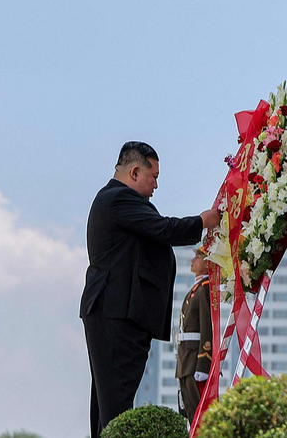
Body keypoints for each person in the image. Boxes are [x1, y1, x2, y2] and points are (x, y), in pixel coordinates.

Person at [79, 141, 221, 438]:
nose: (156, 184)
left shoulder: (115, 200)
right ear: (134, 172)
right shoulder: (118, 198)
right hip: (117, 313)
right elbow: (163, 229)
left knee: (109, 404)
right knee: (115, 406)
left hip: (117, 312)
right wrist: (202, 222)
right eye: (153, 176)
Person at [175, 245, 213, 424]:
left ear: (208, 263)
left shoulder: (205, 289)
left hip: (195, 361)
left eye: (197, 257)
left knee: (200, 415)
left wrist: (203, 363)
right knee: (190, 412)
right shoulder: (197, 289)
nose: (192, 260)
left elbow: (207, 327)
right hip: (186, 359)